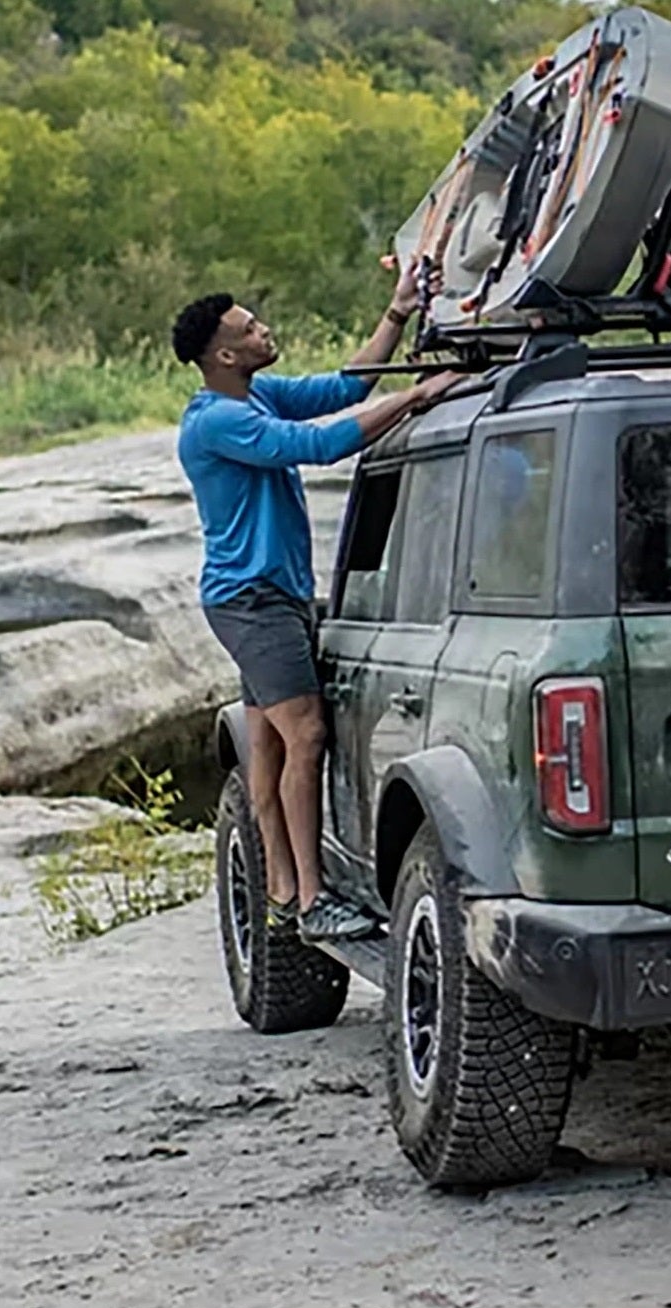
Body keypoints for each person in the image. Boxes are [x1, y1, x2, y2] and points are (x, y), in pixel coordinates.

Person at [173, 278, 457, 945]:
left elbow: (342, 389)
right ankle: (309, 898)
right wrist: (415, 395)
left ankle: (278, 884)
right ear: (224, 357)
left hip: (272, 597)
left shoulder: (255, 394)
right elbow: (320, 445)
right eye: (248, 329)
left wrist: (397, 312)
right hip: (252, 601)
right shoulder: (219, 421)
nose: (262, 330)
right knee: (306, 736)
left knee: (269, 745)